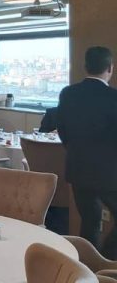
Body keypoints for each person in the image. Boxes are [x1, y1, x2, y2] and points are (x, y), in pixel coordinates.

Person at [58, 46, 117, 259]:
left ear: (85, 66)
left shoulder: (68, 93)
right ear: (110, 68)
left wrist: (77, 150)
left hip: (78, 168)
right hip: (109, 173)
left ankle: (89, 263)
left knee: (89, 220)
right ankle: (107, 260)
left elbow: (62, 130)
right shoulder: (114, 97)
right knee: (94, 219)